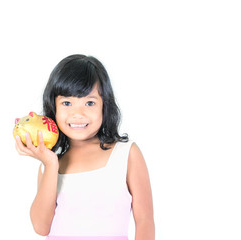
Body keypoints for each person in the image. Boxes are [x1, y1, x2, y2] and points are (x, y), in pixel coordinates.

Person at [15, 54, 155, 240]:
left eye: (89, 103)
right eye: (67, 103)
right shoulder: (50, 164)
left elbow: (145, 220)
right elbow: (41, 227)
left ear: (105, 106)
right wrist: (50, 164)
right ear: (53, 107)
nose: (78, 114)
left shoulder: (126, 154)